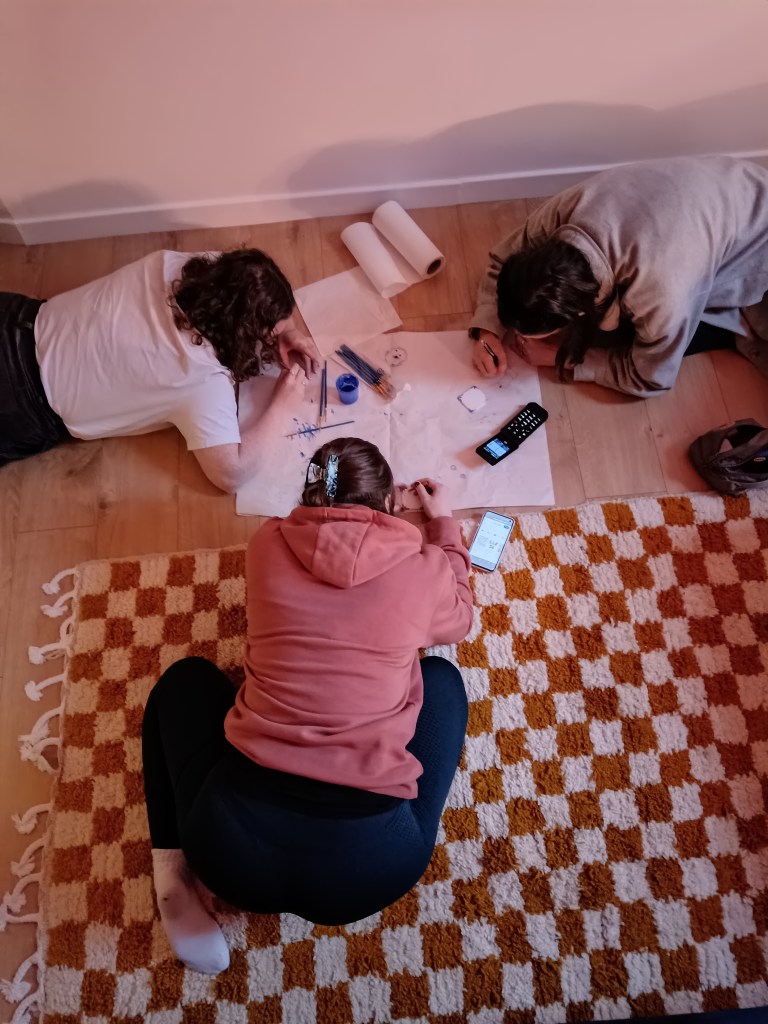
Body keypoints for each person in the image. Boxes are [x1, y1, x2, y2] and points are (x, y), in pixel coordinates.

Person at [141, 437, 473, 974]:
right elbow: (459, 621)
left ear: (310, 499)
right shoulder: (424, 567)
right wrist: (443, 530)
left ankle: (171, 876)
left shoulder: (266, 543)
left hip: (229, 851)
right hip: (371, 870)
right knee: (441, 679)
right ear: (392, 506)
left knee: (182, 680)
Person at [0, 248, 320, 490]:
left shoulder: (176, 265)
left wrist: (286, 329)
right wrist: (282, 406)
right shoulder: (199, 377)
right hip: (20, 407)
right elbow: (230, 474)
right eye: (267, 332)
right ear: (241, 334)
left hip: (15, 316)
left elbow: (249, 280)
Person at [469, 155, 768, 397]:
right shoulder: (564, 212)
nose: (519, 339)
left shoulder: (660, 290)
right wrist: (487, 330)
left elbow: (652, 377)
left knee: (613, 340)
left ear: (581, 310)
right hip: (724, 192)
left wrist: (565, 360)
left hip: (754, 240)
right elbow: (501, 259)